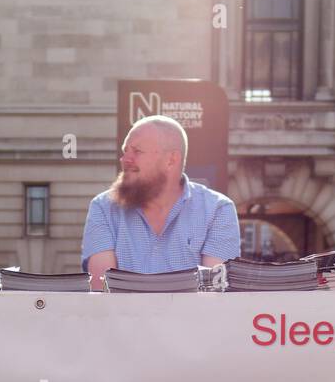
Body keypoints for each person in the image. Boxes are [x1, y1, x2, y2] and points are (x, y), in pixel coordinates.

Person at [80, 115, 240, 289]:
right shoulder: (104, 208)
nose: (125, 159)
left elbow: (214, 293)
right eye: (125, 151)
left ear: (171, 160)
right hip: (124, 310)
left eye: (137, 151)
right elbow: (101, 290)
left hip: (186, 311)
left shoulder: (217, 210)